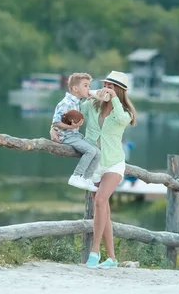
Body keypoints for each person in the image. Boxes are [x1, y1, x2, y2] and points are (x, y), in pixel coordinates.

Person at [52, 70, 136, 269]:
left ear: (120, 90)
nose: (107, 88)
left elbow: (123, 120)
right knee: (102, 208)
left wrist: (114, 98)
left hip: (113, 162)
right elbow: (64, 114)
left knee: (100, 200)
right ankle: (113, 259)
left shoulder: (123, 111)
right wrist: (53, 129)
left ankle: (94, 252)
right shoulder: (91, 106)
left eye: (112, 86)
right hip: (93, 165)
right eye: (106, 84)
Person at [51, 72, 100, 192]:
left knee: (98, 152)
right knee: (90, 150)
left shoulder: (77, 102)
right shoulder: (66, 102)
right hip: (66, 136)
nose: (89, 88)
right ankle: (76, 176)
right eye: (86, 85)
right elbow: (56, 122)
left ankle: (87, 178)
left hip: (74, 135)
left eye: (89, 85)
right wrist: (71, 127)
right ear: (75, 88)